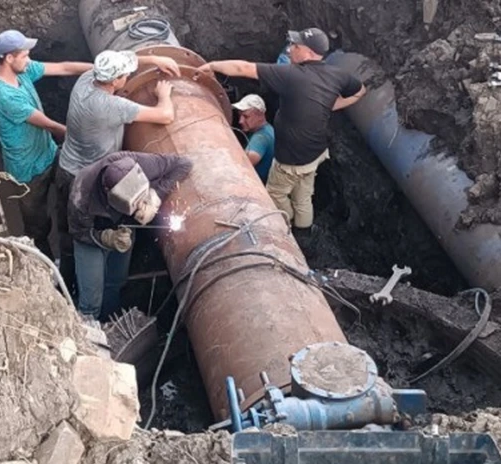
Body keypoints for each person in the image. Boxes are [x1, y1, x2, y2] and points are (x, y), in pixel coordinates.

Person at [199, 28, 366, 232]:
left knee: (275, 193)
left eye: (296, 46)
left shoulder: (290, 75)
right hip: (316, 153)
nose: (290, 49)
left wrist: (212, 65)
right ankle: (304, 231)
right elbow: (360, 91)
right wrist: (331, 104)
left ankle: (287, 225)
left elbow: (243, 68)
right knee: (303, 196)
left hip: (290, 159)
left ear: (309, 53)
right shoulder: (336, 75)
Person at [53, 50, 181, 285]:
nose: (128, 76)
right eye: (125, 74)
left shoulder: (86, 80)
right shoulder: (110, 106)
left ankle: (64, 279)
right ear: (115, 81)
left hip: (65, 167)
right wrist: (164, 95)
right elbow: (165, 116)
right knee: (93, 232)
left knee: (68, 233)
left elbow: (120, 62)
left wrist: (154, 60)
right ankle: (95, 283)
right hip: (90, 183)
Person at [0, 29, 92, 255]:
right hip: (27, 171)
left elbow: (64, 67)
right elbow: (48, 125)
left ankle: (69, 233)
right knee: (37, 224)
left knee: (70, 189)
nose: (28, 59)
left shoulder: (21, 71)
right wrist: (78, 135)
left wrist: (98, 70)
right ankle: (43, 260)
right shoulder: (3, 95)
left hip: (48, 152)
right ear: (8, 58)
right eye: (24, 55)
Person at [69, 152, 192, 320]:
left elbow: (184, 163)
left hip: (124, 227)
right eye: (134, 204)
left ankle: (110, 319)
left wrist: (155, 197)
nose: (138, 207)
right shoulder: (82, 194)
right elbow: (78, 232)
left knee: (116, 280)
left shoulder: (141, 164)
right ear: (110, 195)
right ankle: (90, 326)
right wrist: (106, 238)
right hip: (91, 236)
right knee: (91, 298)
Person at [232, 94, 275, 182]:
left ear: (260, 115)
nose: (240, 121)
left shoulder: (261, 138)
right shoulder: (268, 129)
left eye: (246, 116)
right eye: (240, 115)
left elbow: (243, 164)